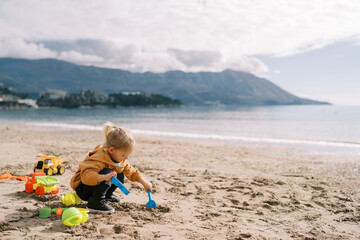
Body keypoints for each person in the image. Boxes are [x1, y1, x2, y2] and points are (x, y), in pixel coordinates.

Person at [70, 122, 152, 212]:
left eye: (128, 155)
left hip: (96, 185)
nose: (127, 158)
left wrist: (144, 182)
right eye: (124, 155)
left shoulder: (119, 159)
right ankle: (95, 202)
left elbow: (131, 171)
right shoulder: (99, 158)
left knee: (119, 174)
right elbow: (86, 177)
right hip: (83, 188)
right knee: (108, 173)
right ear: (111, 150)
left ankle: (106, 196)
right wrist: (104, 177)